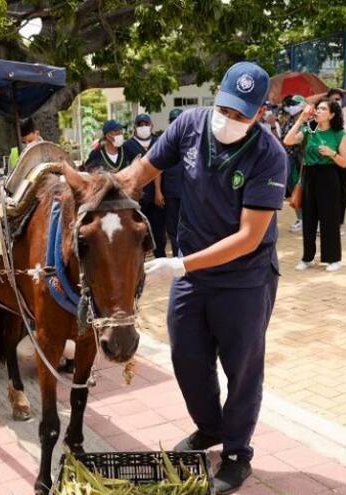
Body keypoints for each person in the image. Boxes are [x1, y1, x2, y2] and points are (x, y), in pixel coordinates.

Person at [114, 61, 286, 494]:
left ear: (259, 112)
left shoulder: (270, 156)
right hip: (193, 276)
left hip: (244, 278)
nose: (229, 119)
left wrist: (179, 265)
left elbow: (249, 237)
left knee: (242, 369)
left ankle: (237, 453)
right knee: (187, 358)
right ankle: (209, 427)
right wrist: (102, 193)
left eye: (241, 114)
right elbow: (142, 172)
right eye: (224, 109)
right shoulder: (190, 125)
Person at [283, 99, 346, 272]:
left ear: (332, 114)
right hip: (309, 176)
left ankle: (333, 259)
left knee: (329, 219)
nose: (318, 111)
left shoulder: (338, 133)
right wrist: (301, 119)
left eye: (323, 109)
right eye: (318, 108)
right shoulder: (310, 128)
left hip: (328, 176)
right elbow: (288, 141)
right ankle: (307, 258)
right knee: (308, 218)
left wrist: (331, 153)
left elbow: (344, 163)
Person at [307, 88, 346, 230]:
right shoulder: (323, 114)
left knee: (340, 188)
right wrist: (326, 93)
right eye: (332, 99)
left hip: (344, 153)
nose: (335, 101)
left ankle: (338, 222)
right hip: (324, 153)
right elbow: (307, 101)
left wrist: (342, 90)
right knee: (323, 188)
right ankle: (322, 220)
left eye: (338, 99)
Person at [124, 114, 168, 256]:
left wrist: (158, 191)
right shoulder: (128, 145)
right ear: (135, 127)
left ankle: (160, 257)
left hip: (156, 195)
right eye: (140, 124)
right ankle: (140, 260)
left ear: (151, 125)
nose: (143, 127)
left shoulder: (159, 142)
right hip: (137, 196)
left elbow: (159, 168)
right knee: (139, 230)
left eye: (146, 124)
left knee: (158, 230)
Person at [156, 108, 184, 257]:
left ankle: (187, 257)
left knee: (190, 227)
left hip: (189, 194)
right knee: (173, 229)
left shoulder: (193, 138)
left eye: (178, 120)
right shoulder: (164, 141)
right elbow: (156, 169)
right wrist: (158, 191)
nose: (176, 123)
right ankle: (176, 256)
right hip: (171, 193)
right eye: (173, 121)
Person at [280, 95, 307, 233]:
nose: (290, 107)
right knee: (293, 189)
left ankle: (306, 219)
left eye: (293, 104)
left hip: (301, 161)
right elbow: (284, 139)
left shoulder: (310, 122)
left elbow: (312, 138)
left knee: (302, 189)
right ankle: (301, 218)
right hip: (288, 159)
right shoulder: (289, 120)